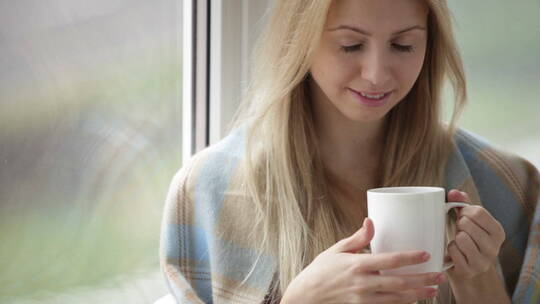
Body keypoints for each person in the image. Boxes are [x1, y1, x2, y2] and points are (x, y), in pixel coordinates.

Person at [160, 0, 540, 303]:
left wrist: (480, 287)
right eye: (350, 45)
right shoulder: (208, 193)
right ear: (299, 41)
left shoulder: (507, 187)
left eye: (403, 45)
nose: (376, 73)